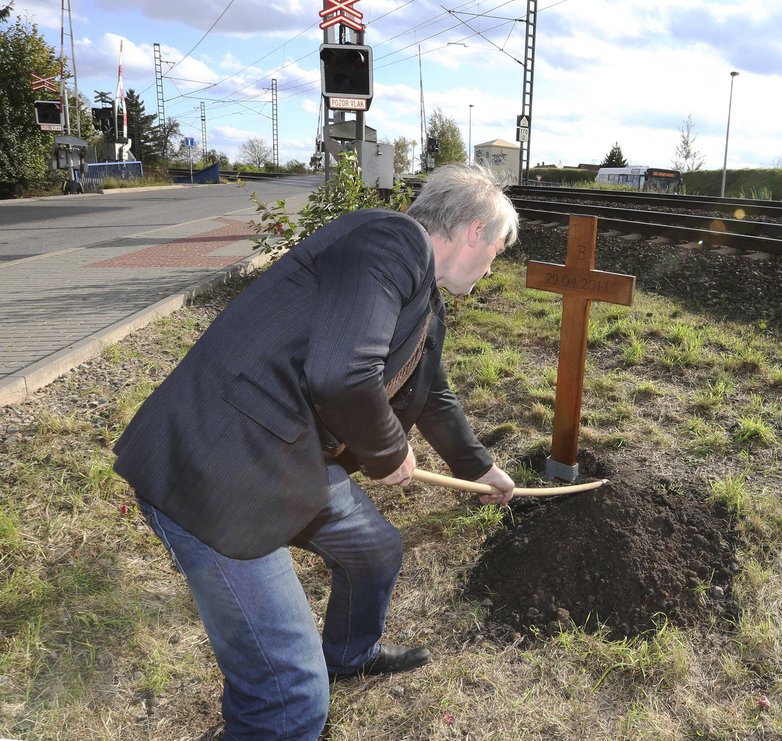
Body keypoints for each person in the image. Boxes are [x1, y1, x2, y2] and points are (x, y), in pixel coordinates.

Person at [113, 163, 519, 740]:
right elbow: (342, 375)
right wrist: (386, 451)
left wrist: (483, 470)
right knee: (290, 696)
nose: (490, 267)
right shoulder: (391, 241)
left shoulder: (424, 293)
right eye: (497, 251)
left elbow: (433, 394)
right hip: (218, 465)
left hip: (283, 453)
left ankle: (349, 657)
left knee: (374, 547)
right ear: (475, 230)